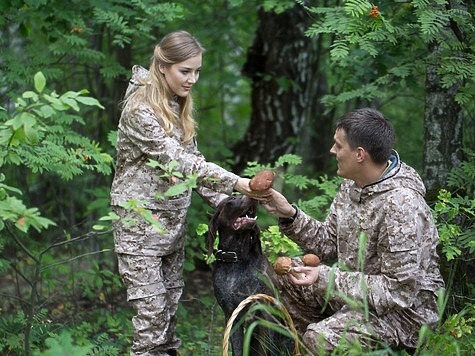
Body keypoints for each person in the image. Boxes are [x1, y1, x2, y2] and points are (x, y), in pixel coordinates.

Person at [110, 31, 260, 356]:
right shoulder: (140, 109)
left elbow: (196, 166)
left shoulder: (175, 104)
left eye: (197, 71)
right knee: (151, 330)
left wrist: (228, 206)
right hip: (139, 232)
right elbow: (178, 163)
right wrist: (239, 183)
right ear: (162, 66)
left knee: (168, 326)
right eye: (185, 71)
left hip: (171, 231)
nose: (192, 79)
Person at [262, 108, 445, 353]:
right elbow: (327, 243)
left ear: (360, 154)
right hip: (356, 293)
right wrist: (289, 215)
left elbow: (397, 292)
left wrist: (326, 279)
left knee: (321, 339)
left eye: (339, 145)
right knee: (282, 276)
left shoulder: (401, 206)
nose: (332, 151)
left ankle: (320, 340)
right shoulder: (353, 186)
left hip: (406, 315)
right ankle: (303, 344)